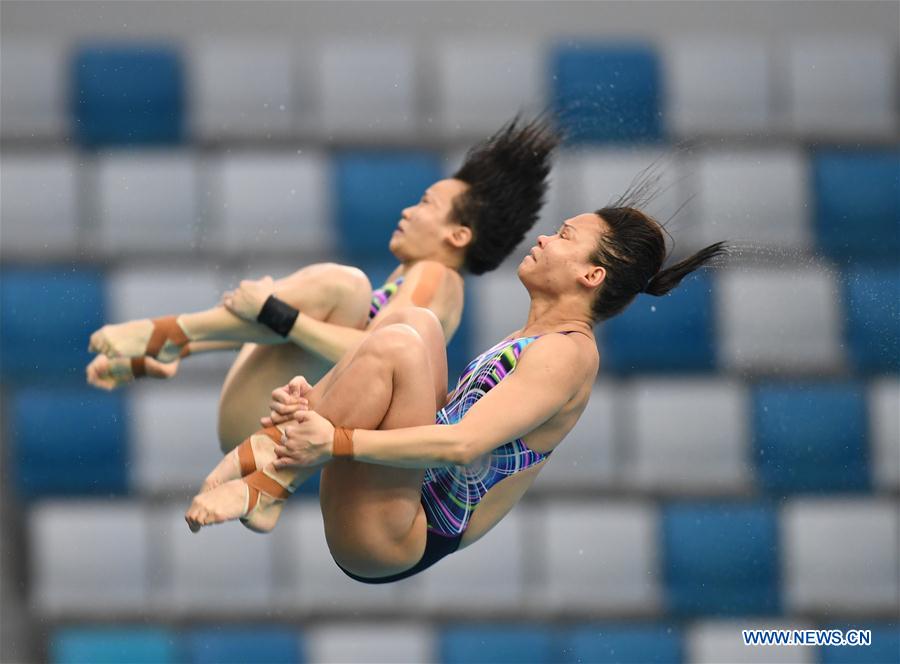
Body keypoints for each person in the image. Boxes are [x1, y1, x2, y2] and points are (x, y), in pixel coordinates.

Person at [185, 202, 728, 582]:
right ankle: (271, 468)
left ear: (592, 275)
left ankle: (268, 479)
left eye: (563, 236)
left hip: (402, 533)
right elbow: (438, 417)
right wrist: (331, 393)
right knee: (412, 325)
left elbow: (461, 445)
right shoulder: (533, 337)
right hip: (400, 495)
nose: (543, 237)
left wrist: (336, 441)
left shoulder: (569, 352)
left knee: (402, 339)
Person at [86, 117, 559, 450]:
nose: (407, 211)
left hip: (272, 432)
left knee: (344, 285)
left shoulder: (438, 279)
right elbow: (297, 340)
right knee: (338, 292)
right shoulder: (413, 277)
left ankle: (168, 336)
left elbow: (373, 354)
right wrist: (261, 321)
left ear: (457, 236)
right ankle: (171, 344)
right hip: (265, 418)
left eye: (425, 204)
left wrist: (275, 311)